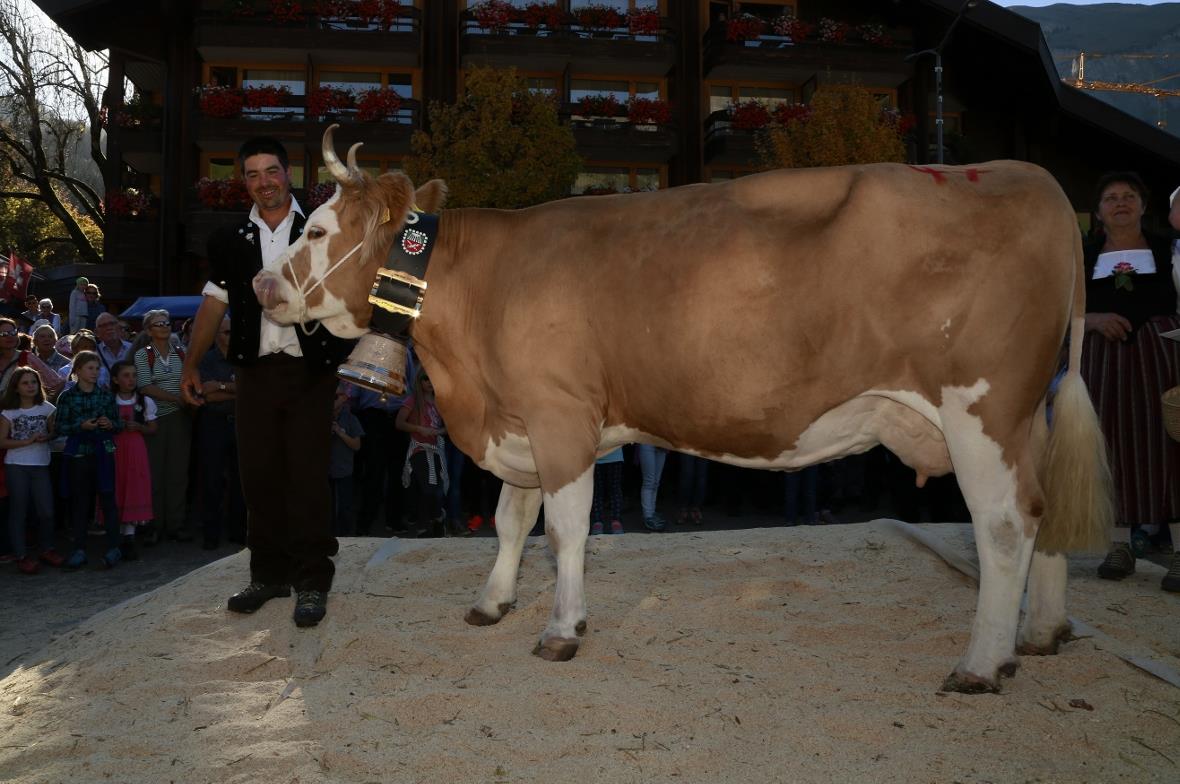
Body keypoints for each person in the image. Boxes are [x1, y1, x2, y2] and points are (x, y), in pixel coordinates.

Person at [180, 135, 355, 628]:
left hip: (309, 372)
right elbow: (213, 304)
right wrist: (192, 364)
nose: (264, 182)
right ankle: (268, 574)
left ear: (288, 174)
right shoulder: (228, 241)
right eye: (253, 174)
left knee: (306, 476)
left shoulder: (320, 230)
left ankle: (312, 580)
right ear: (244, 182)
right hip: (252, 373)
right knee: (257, 476)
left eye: (271, 171)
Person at [1082, 172, 1180, 593]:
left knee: (1170, 445)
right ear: (1099, 210)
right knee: (1110, 443)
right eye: (1110, 198)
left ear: (1143, 205)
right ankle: (1119, 546)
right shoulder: (1082, 255)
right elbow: (1059, 303)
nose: (1120, 203)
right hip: (1105, 361)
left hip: (1164, 358)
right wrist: (1093, 320)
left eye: (1129, 196)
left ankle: (1178, 550)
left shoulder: (1170, 248)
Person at [55, 350, 123, 570]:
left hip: (103, 452)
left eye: (97, 368)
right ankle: (79, 549)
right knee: (81, 503)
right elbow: (59, 427)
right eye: (90, 368)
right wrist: (80, 426)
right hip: (79, 454)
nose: (95, 372)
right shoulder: (67, 397)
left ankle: (114, 547)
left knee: (108, 501)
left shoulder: (105, 395)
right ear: (77, 371)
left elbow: (118, 424)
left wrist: (109, 424)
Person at [134, 308, 192, 543]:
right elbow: (145, 386)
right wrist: (176, 398)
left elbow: (187, 380)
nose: (165, 326)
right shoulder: (142, 355)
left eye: (167, 323)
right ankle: (154, 525)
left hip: (181, 418)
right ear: (148, 330)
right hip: (155, 419)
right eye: (159, 324)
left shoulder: (181, 352)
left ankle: (176, 525)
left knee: (178, 473)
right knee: (155, 473)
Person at [0, 367, 61, 574]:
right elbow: (2, 441)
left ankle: (47, 548)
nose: (30, 386)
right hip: (16, 465)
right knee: (19, 510)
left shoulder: (47, 408)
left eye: (33, 382)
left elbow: (55, 431)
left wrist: (48, 436)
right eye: (25, 383)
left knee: (46, 510)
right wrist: (27, 441)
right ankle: (21, 555)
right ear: (16, 387)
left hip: (41, 464)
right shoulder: (9, 412)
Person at [195, 315, 244, 550]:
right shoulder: (206, 360)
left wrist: (222, 386)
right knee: (211, 480)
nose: (230, 337)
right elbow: (206, 393)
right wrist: (235, 390)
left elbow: (250, 389)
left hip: (241, 423)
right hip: (213, 423)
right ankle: (211, 534)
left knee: (240, 480)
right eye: (226, 333)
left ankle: (238, 531)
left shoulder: (243, 359)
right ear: (216, 335)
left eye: (233, 332)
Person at [110, 360, 156, 561]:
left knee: (133, 486)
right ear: (115, 379)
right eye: (126, 375)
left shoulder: (144, 400)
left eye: (134, 375)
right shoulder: (109, 400)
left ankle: (129, 536)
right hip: (114, 449)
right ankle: (118, 534)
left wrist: (139, 427)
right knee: (116, 485)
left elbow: (153, 428)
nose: (131, 379)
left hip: (135, 449)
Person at [395, 370, 448, 537]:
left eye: (432, 378)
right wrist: (419, 428)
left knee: (436, 490)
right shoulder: (412, 401)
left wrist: (438, 431)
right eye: (426, 378)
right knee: (427, 488)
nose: (429, 382)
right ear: (420, 380)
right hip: (419, 448)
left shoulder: (441, 402)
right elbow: (399, 423)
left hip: (436, 450)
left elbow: (449, 426)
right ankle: (425, 526)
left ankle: (436, 519)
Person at [329, 384, 364, 537]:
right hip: (325, 471)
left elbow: (357, 445)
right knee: (326, 507)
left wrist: (340, 433)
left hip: (344, 470)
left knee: (345, 507)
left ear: (344, 398)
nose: (332, 400)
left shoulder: (350, 418)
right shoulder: (318, 417)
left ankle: (345, 537)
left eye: (335, 396)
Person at [0, 317, 64, 399]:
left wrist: (39, 405)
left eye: (13, 332)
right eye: (4, 334)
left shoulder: (27, 357)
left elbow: (58, 383)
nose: (10, 336)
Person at [591, 447, 625, 535]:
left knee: (597, 491)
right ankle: (616, 522)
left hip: (598, 457)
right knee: (615, 490)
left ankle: (598, 523)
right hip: (614, 456)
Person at [636, 444, 668, 531]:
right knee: (649, 482)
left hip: (661, 443)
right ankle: (648, 516)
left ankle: (651, 513)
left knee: (656, 482)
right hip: (647, 442)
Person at [676, 453, 708, 526]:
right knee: (687, 475)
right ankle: (684, 508)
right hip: (689, 444)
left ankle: (696, 508)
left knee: (701, 478)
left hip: (704, 445)